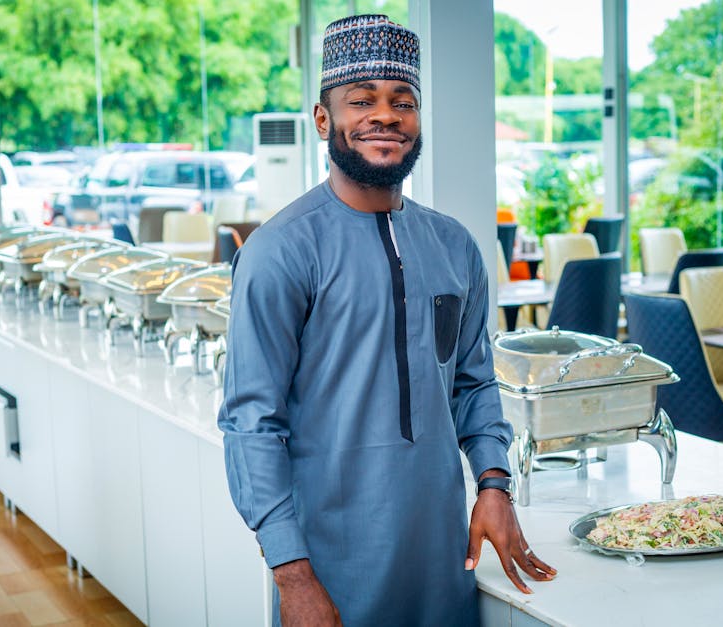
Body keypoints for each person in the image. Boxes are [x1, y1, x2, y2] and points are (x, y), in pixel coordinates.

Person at [218, 14, 555, 627]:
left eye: (403, 101)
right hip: (328, 568)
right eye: (361, 100)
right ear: (324, 120)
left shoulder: (455, 247)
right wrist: (293, 577)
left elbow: (474, 385)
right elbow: (251, 425)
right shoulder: (279, 251)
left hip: (443, 562)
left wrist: (494, 483)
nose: (386, 116)